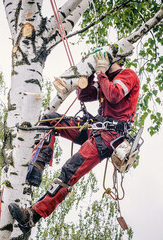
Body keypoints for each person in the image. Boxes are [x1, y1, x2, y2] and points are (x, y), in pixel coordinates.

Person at [8, 51, 140, 234]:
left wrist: (101, 74)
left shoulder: (127, 75)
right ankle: (38, 165)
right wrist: (89, 74)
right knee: (49, 119)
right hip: (94, 128)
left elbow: (114, 95)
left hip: (109, 137)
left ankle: (32, 216)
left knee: (70, 171)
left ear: (112, 60)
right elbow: (84, 96)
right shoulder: (105, 79)